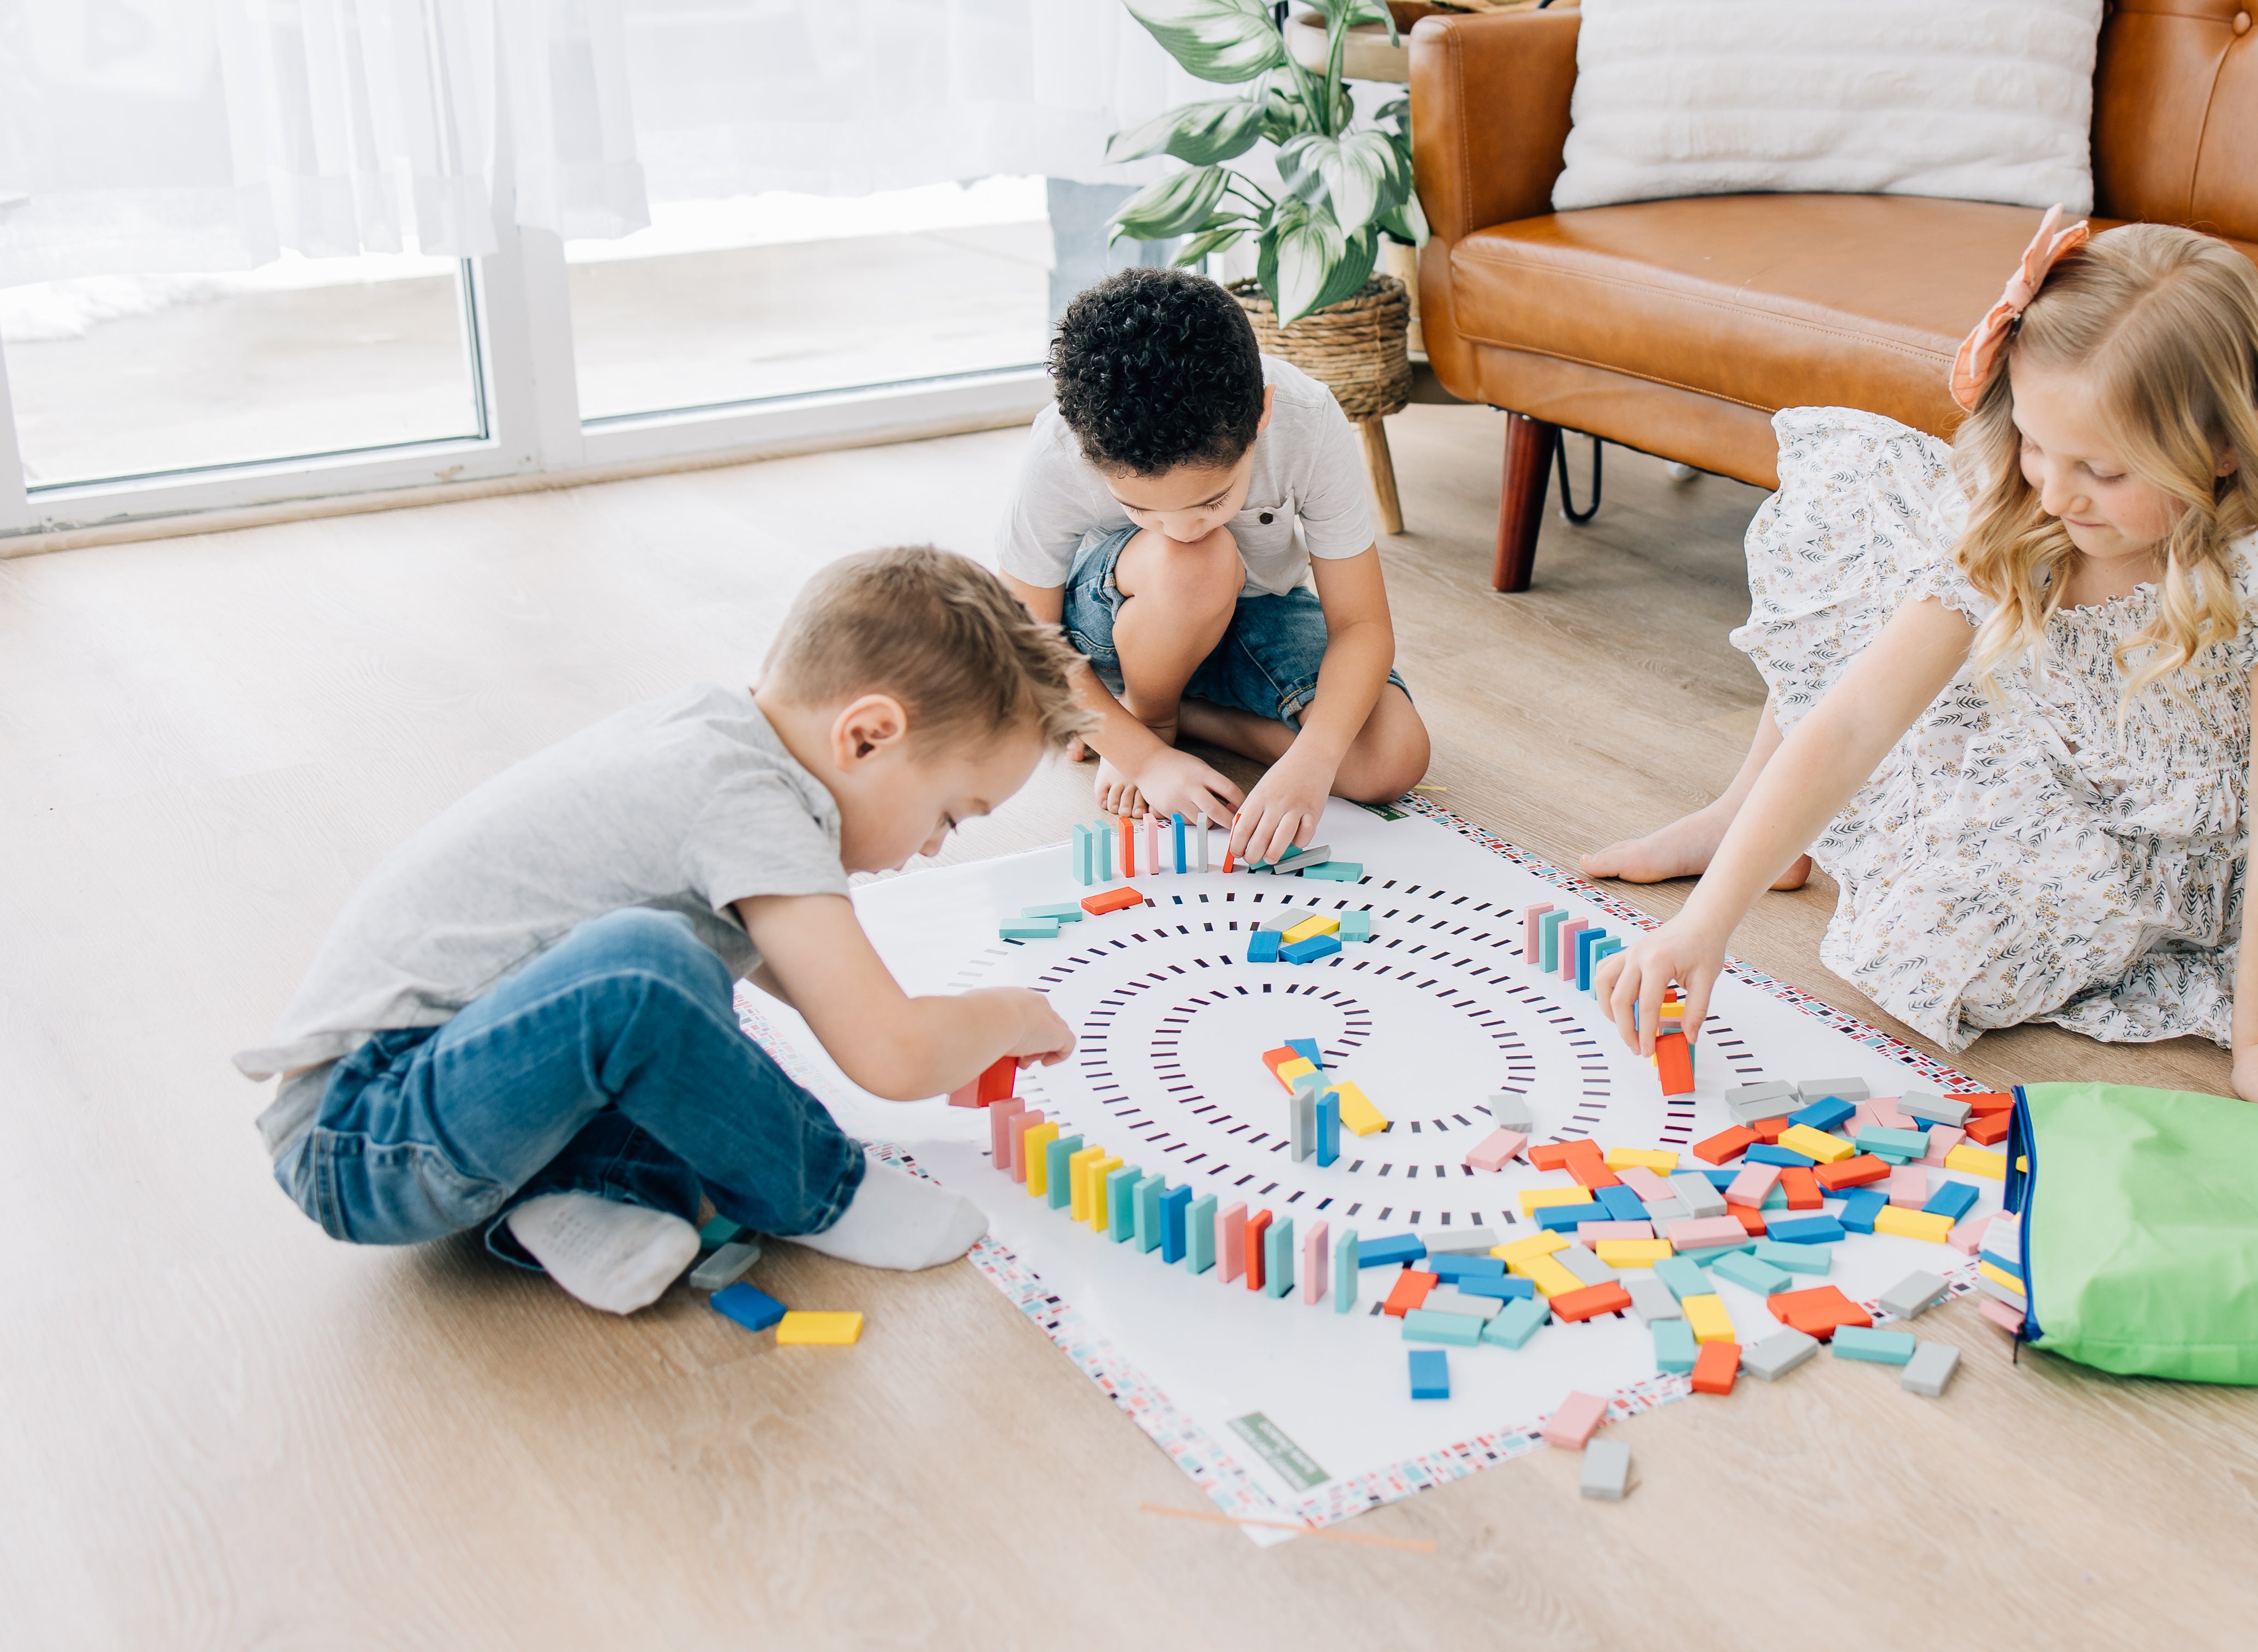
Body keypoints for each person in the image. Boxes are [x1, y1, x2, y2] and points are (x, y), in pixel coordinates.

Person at [1589, 214, 2258, 1129]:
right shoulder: (2021, 504)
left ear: (2228, 448)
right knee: (1872, 593)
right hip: (2047, 718)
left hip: (2181, 814)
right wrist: (1702, 927)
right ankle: (1743, 823)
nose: (2057, 495)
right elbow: (1855, 720)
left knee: (1933, 943)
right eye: (2035, 443)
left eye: (2101, 471)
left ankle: (1781, 831)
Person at [233, 548, 1088, 1314]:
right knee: (652, 972)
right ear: (866, 737)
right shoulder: (744, 800)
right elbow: (889, 1056)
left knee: (693, 1036)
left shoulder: (718, 739)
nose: (935, 847)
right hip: (363, 1135)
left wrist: (909, 1025)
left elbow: (833, 1001)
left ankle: (585, 1193)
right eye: (949, 814)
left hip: (450, 1092)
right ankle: (824, 1193)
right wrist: (1007, 1015)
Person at [999, 267, 1429, 866]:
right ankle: (1152, 714)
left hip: (1256, 611)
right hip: (1127, 621)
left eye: (1212, 502)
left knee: (1394, 757)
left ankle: (1193, 714)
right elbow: (1028, 641)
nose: (1179, 525)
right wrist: (1144, 756)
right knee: (1197, 558)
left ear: (1262, 416)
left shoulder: (1306, 417)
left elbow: (1362, 624)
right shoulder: (1061, 449)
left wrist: (1312, 760)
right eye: (1138, 508)